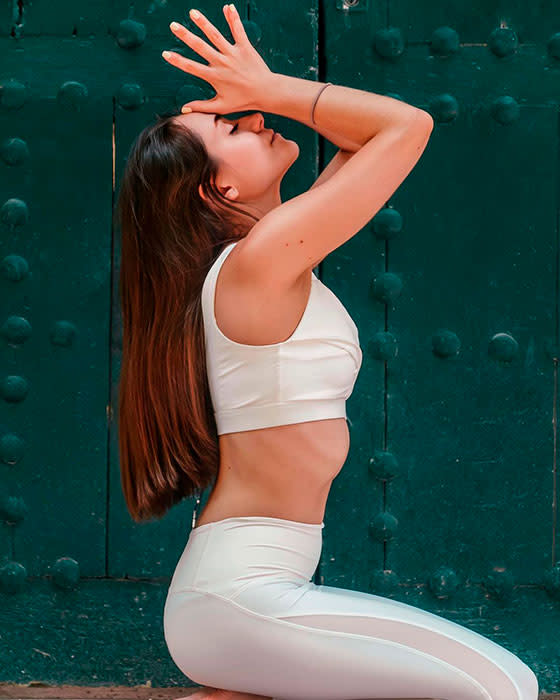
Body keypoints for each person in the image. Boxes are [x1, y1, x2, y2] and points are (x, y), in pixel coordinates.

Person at [115, 4, 540, 699]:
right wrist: (270, 86)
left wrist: (259, 94)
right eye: (231, 123)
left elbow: (368, 137)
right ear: (218, 188)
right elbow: (407, 125)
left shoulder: (268, 251)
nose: (252, 116)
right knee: (504, 690)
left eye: (240, 112)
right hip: (239, 597)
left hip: (248, 593)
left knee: (505, 685)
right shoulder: (256, 263)